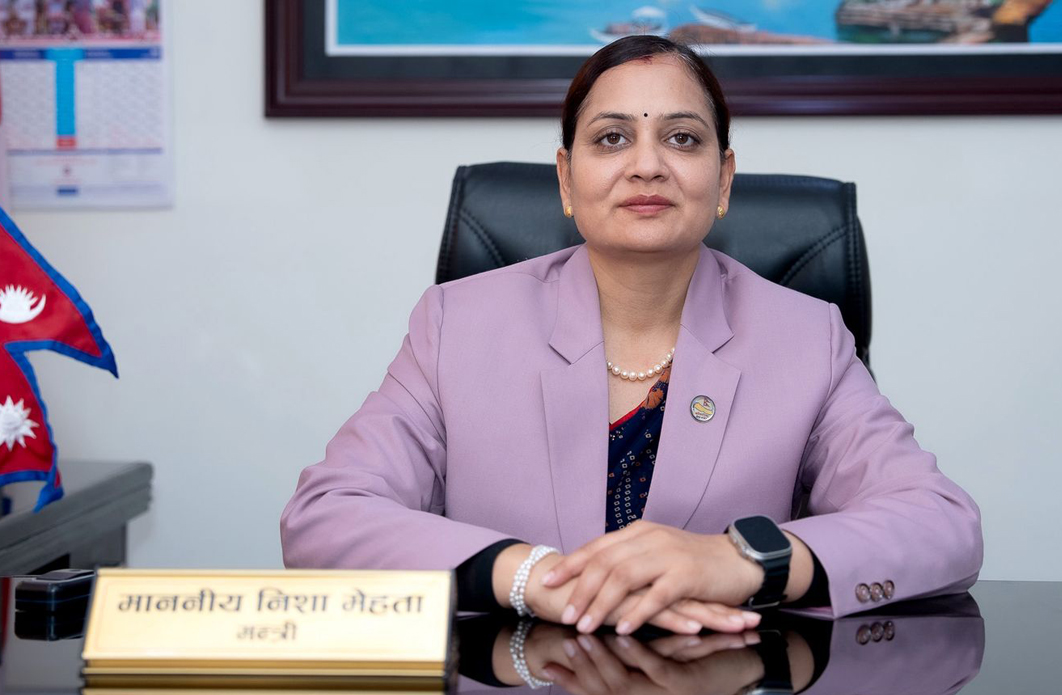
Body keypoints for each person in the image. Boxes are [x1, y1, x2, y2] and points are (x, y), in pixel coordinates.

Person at [281, 36, 983, 644]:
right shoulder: (455, 325)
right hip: (513, 684)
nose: (647, 166)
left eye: (682, 139)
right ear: (566, 179)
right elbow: (325, 516)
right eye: (612, 138)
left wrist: (742, 560)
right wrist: (532, 576)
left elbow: (942, 524)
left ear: (724, 180)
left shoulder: (807, 338)